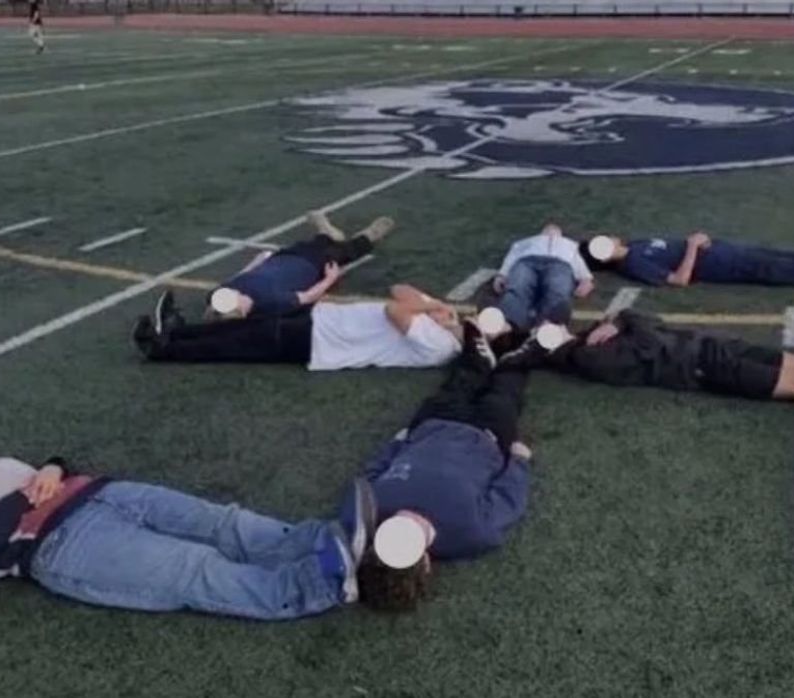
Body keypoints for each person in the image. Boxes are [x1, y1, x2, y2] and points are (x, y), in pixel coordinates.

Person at [0, 455, 378, 621]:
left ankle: (325, 539)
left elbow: (52, 465)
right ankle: (319, 585)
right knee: (192, 568)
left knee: (222, 522)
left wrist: (53, 466)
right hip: (60, 546)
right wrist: (22, 499)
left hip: (102, 492)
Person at [341, 325, 533, 611]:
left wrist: (396, 443)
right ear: (426, 562)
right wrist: (519, 461)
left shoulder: (364, 511)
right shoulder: (472, 532)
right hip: (487, 434)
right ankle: (519, 352)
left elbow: (371, 472)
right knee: (505, 392)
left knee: (460, 382)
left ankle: (480, 354)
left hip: (432, 424)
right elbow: (508, 498)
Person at [499, 309, 794, 407]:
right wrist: (619, 323)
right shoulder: (588, 359)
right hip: (703, 367)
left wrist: (617, 321)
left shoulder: (592, 336)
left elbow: (649, 321)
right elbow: (649, 340)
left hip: (708, 344)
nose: (548, 323)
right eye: (541, 329)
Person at [133, 283, 462, 370]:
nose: (452, 316)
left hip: (321, 341)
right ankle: (177, 331)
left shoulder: (442, 346)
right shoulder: (437, 325)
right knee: (240, 328)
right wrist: (435, 307)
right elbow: (399, 289)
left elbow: (394, 309)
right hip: (323, 321)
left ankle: (163, 349)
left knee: (237, 343)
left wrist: (433, 307)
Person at [578, 232, 794, 290]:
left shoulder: (636, 244)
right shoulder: (633, 263)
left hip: (730, 252)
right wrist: (695, 249)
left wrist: (703, 241)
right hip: (731, 267)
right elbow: (679, 280)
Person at [210, 211, 393, 319]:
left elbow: (239, 276)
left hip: (284, 258)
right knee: (343, 252)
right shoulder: (272, 302)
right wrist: (329, 280)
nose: (231, 291)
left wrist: (257, 261)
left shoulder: (225, 294)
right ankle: (370, 235)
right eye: (232, 296)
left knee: (318, 244)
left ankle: (327, 233)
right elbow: (307, 296)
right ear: (241, 308)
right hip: (313, 267)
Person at [489, 223, 594, 334]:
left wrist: (585, 279)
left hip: (559, 264)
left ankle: (549, 328)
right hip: (527, 261)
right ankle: (509, 326)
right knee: (517, 286)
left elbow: (577, 261)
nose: (551, 231)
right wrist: (502, 274)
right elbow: (512, 256)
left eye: (554, 229)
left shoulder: (570, 245)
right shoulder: (526, 242)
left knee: (558, 289)